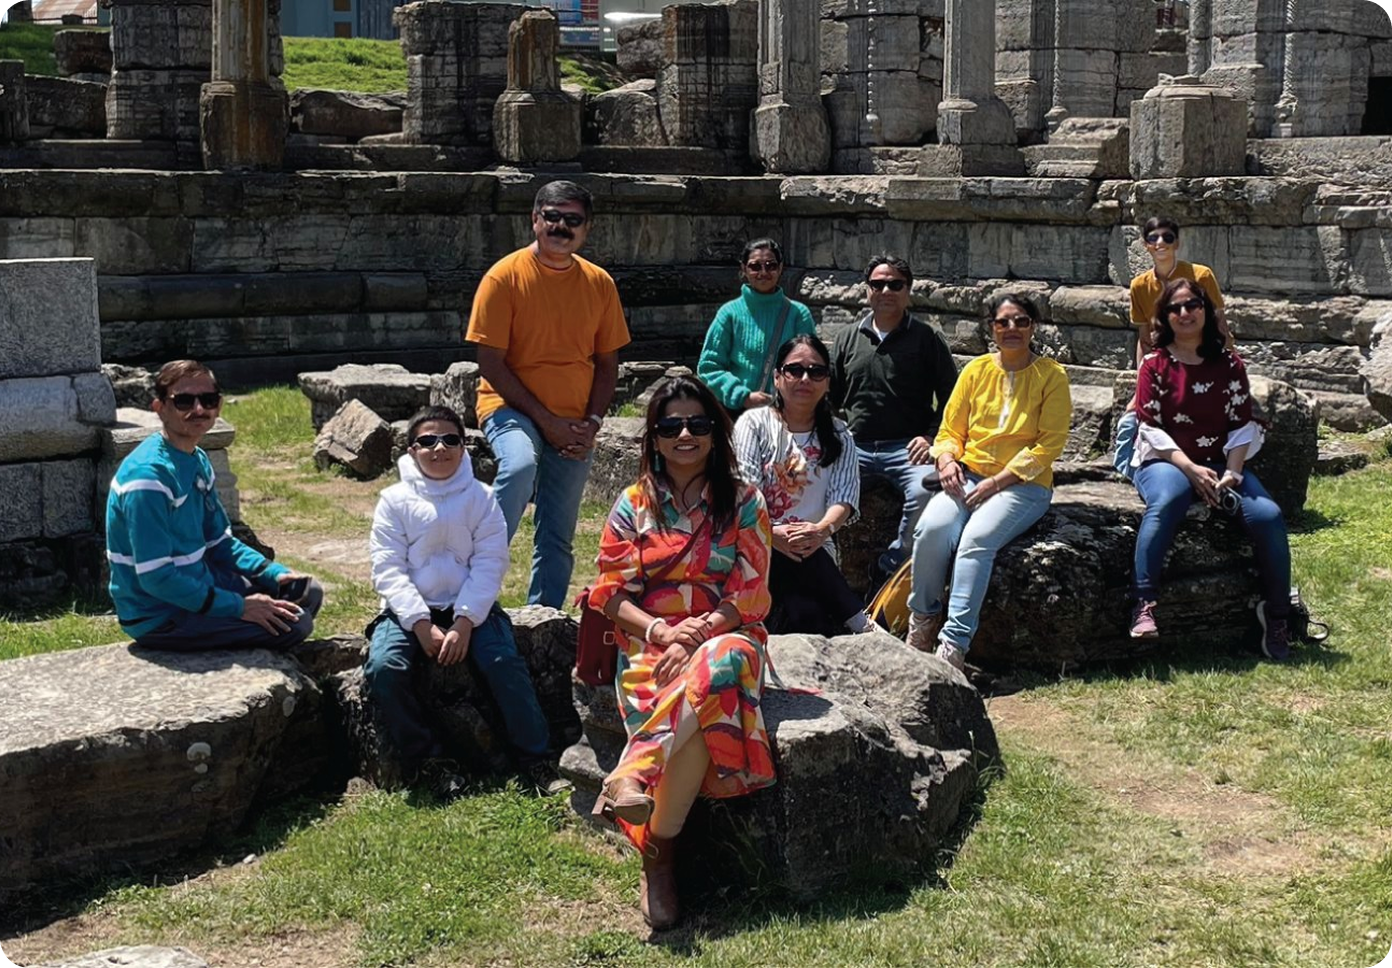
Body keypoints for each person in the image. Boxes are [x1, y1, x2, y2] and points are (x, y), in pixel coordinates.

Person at [586, 375, 775, 930]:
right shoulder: (633, 505)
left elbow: (751, 591)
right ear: (654, 437)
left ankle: (634, 779)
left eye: (697, 423)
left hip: (724, 634)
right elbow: (610, 593)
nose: (685, 435)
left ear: (716, 432)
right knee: (704, 709)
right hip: (651, 645)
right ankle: (659, 851)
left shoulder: (744, 501)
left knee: (725, 660)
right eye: (671, 426)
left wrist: (695, 634)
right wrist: (662, 633)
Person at [365, 405, 567, 800]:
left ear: (463, 447)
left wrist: (464, 621)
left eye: (450, 439)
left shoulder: (482, 498)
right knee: (384, 666)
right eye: (427, 441)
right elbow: (387, 567)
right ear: (411, 450)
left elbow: (490, 562)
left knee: (502, 661)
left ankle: (536, 758)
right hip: (408, 610)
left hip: (471, 606)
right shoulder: (393, 501)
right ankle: (431, 761)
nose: (439, 448)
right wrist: (420, 623)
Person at [466, 179, 631, 608]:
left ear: (587, 229)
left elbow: (607, 363)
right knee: (520, 465)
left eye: (572, 220)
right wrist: (547, 422)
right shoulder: (504, 277)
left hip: (574, 420)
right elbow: (491, 363)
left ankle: (544, 617)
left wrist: (592, 424)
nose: (561, 227)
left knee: (558, 533)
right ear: (535, 220)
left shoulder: (599, 283)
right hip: (509, 408)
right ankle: (473, 577)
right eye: (552, 216)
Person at [106, 359, 322, 649]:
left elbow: (218, 541)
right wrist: (239, 607)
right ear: (160, 408)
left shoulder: (196, 458)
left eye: (207, 400)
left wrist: (272, 573)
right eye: (184, 401)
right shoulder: (148, 478)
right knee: (296, 623)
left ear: (218, 406)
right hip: (161, 615)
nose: (198, 409)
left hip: (201, 584)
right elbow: (156, 577)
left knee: (305, 592)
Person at [1128, 279, 1292, 659]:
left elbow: (1242, 422)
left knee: (1268, 515)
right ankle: (1143, 602)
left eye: (1192, 305)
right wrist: (1190, 469)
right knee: (1170, 498)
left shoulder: (1230, 364)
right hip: (1166, 459)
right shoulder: (1154, 364)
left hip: (1221, 461)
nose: (1185, 313)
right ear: (1165, 316)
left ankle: (1278, 615)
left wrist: (1232, 473)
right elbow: (1149, 427)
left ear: (1205, 309)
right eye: (1175, 308)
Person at [906, 295, 1071, 669]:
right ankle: (922, 623)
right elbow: (950, 430)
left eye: (1021, 321)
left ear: (1033, 327)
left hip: (1023, 484)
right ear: (991, 328)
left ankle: (953, 645)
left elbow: (1049, 445)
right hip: (968, 475)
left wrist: (997, 482)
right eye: (1003, 322)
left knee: (975, 541)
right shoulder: (975, 370)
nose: (1012, 328)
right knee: (931, 529)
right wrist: (946, 460)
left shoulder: (1052, 376)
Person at [734, 334, 876, 636]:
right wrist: (773, 534)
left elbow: (844, 499)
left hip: (816, 547)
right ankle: (860, 621)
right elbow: (745, 493)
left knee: (806, 614)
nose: (805, 379)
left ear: (827, 382)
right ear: (777, 378)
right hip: (758, 540)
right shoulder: (754, 424)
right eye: (794, 370)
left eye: (816, 372)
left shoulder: (839, 435)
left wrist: (820, 530)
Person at [830, 254, 958, 581]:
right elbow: (828, 396)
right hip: (855, 448)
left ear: (908, 290)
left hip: (908, 448)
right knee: (814, 488)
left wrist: (931, 436)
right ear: (867, 290)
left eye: (895, 284)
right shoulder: (846, 338)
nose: (886, 290)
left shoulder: (927, 338)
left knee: (926, 493)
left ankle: (892, 564)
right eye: (877, 284)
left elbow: (953, 397)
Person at [1114, 217, 1231, 479]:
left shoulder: (1201, 276)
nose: (1160, 243)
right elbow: (1144, 340)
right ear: (1145, 245)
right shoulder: (1139, 286)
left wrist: (1224, 367)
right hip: (1161, 365)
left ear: (1177, 243)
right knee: (1131, 419)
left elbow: (1220, 327)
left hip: (1202, 360)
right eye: (1153, 238)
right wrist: (1141, 384)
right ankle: (1131, 472)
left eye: (1167, 237)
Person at [696, 238, 817, 415]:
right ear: (744, 269)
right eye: (755, 266)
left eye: (770, 266)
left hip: (786, 414)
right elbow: (709, 367)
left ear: (780, 268)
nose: (763, 272)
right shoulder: (729, 314)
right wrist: (743, 396)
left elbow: (811, 365)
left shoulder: (798, 314)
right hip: (737, 414)